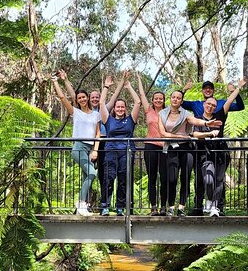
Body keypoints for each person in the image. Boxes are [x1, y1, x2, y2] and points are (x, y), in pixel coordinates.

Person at [59, 70, 123, 210]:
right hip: (87, 145)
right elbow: (72, 96)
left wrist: (116, 84)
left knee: (101, 175)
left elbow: (113, 99)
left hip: (102, 144)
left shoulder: (102, 110)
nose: (94, 99)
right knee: (89, 174)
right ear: (88, 98)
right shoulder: (79, 112)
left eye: (96, 97)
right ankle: (83, 204)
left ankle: (102, 205)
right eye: (92, 97)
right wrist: (65, 80)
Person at [183, 79, 246, 215]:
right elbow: (179, 103)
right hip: (201, 150)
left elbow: (232, 103)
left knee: (218, 179)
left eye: (210, 88)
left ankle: (217, 207)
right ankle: (199, 206)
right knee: (202, 179)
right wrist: (185, 89)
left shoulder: (220, 110)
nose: (210, 106)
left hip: (218, 149)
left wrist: (237, 88)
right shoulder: (197, 110)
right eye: (205, 88)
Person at [158, 90, 221, 217]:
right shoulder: (162, 113)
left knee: (185, 178)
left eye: (179, 98)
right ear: (170, 99)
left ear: (182, 101)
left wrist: (206, 123)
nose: (175, 99)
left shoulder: (186, 114)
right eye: (173, 97)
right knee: (172, 179)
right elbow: (163, 134)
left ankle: (181, 208)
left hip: (187, 149)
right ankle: (170, 207)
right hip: (172, 148)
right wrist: (181, 137)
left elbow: (194, 121)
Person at [52, 73, 101, 216]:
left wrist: (95, 150)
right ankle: (81, 203)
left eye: (84, 97)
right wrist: (56, 82)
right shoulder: (75, 112)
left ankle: (83, 206)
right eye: (79, 98)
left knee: (87, 176)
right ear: (77, 100)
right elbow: (62, 98)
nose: (82, 99)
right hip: (78, 147)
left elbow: (97, 134)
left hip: (89, 149)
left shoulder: (95, 115)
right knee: (92, 173)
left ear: (87, 98)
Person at [99, 75, 141, 216]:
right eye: (118, 107)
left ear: (125, 108)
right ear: (114, 108)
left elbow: (138, 102)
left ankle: (120, 207)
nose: (120, 109)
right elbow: (101, 103)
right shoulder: (108, 119)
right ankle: (105, 206)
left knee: (123, 180)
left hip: (127, 152)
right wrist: (106, 87)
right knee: (108, 178)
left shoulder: (131, 119)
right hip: (111, 151)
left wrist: (128, 87)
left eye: (122, 107)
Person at [137, 76, 167, 216]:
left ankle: (163, 208)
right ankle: (154, 207)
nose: (158, 100)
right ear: (153, 100)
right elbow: (142, 95)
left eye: (161, 98)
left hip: (164, 147)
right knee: (152, 177)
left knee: (164, 177)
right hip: (150, 146)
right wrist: (138, 79)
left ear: (164, 100)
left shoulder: (168, 113)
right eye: (156, 98)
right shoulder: (149, 111)